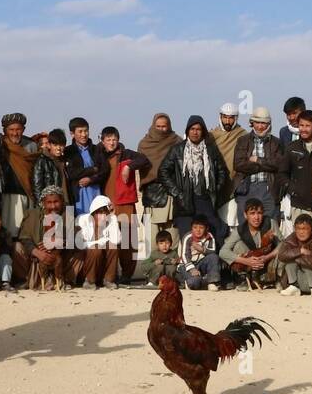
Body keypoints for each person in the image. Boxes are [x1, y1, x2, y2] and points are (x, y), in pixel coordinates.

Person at [163, 115, 231, 261]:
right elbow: (163, 172)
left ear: (203, 131)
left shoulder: (210, 150)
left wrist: (215, 189)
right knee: (188, 237)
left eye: (199, 129)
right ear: (187, 131)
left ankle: (217, 269)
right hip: (184, 202)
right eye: (192, 129)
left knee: (215, 233)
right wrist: (177, 193)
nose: (195, 132)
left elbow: (222, 171)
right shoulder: (177, 150)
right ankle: (188, 273)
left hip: (205, 200)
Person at [99, 126, 150, 286]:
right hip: (106, 204)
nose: (112, 142)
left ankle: (127, 275)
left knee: (129, 242)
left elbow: (144, 159)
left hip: (126, 203)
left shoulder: (126, 154)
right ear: (102, 141)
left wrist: (129, 166)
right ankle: (110, 275)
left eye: (114, 139)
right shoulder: (99, 155)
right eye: (108, 140)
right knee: (109, 240)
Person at [232, 107, 286, 225]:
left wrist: (257, 160)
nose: (260, 126)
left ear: (269, 124)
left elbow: (278, 164)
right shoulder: (243, 140)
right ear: (252, 123)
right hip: (246, 187)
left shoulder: (276, 143)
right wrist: (263, 165)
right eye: (257, 123)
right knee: (245, 226)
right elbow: (238, 164)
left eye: (264, 123)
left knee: (270, 225)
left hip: (269, 188)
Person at [136, 113, 181, 245]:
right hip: (152, 194)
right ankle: (153, 264)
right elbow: (142, 167)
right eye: (158, 126)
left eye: (164, 126)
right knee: (153, 237)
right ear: (153, 125)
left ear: (169, 126)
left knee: (172, 235)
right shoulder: (145, 144)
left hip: (172, 193)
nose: (161, 129)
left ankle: (173, 264)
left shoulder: (177, 141)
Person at [15, 185, 70, 290]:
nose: (53, 206)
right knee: (17, 247)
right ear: (43, 203)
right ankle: (26, 280)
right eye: (49, 202)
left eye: (56, 202)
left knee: (78, 252)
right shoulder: (32, 215)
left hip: (58, 259)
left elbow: (74, 238)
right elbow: (24, 238)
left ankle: (63, 280)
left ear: (62, 201)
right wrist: (38, 252)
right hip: (37, 259)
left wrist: (59, 242)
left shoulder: (68, 214)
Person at [220, 197, 279, 289]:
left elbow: (283, 245)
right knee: (238, 245)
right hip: (247, 265)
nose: (256, 217)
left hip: (266, 263)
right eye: (252, 213)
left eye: (259, 213)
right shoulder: (240, 230)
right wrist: (247, 261)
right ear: (245, 215)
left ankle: (274, 279)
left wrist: (267, 257)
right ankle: (243, 279)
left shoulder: (270, 223)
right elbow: (223, 252)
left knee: (283, 252)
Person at [283, 109, 312, 235]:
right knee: (298, 240)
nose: (304, 129)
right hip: (298, 205)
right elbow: (282, 174)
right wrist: (293, 189)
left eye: (308, 126)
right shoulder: (291, 148)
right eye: (301, 125)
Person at [0, 113, 38, 237]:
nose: (15, 133)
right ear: (5, 130)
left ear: (24, 129)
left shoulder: (31, 146)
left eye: (18, 129)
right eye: (11, 130)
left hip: (26, 195)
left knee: (25, 231)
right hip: (5, 196)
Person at [73, 194, 121, 289]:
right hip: (85, 263)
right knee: (95, 249)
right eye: (99, 212)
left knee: (112, 247)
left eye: (105, 213)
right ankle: (89, 281)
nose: (102, 216)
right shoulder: (82, 220)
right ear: (93, 212)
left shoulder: (111, 219)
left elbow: (116, 240)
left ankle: (108, 279)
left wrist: (112, 218)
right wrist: (100, 243)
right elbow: (80, 244)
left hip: (101, 264)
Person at [63, 117, 106, 217]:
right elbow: (71, 173)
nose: (84, 134)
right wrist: (92, 169)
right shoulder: (68, 152)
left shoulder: (97, 150)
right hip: (78, 195)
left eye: (86, 131)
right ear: (72, 134)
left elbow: (104, 170)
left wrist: (91, 179)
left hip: (96, 193)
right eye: (80, 131)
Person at [212, 102, 246, 229]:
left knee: (232, 222)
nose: (227, 120)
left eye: (231, 117)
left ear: (236, 118)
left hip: (234, 185)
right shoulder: (212, 135)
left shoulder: (242, 135)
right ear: (220, 117)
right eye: (225, 117)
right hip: (217, 185)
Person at [277, 212, 312, 296]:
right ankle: (293, 286)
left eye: (304, 229)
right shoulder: (291, 238)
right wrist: (300, 251)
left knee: (303, 262)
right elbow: (281, 255)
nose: (301, 232)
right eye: (298, 229)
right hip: (297, 278)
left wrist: (295, 257)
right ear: (294, 229)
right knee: (289, 262)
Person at [176, 214, 222, 291]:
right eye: (195, 227)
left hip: (201, 264)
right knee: (195, 282)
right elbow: (184, 255)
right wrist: (191, 269)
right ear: (191, 228)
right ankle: (188, 281)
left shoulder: (209, 237)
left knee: (214, 257)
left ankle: (212, 282)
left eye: (201, 228)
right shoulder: (188, 237)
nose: (198, 230)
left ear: (206, 228)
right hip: (186, 265)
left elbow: (213, 251)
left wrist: (202, 250)